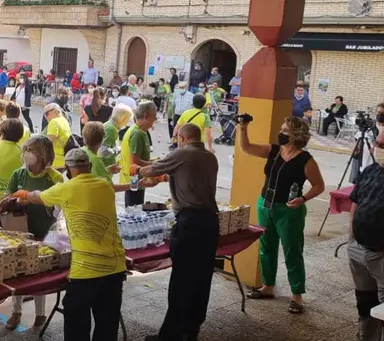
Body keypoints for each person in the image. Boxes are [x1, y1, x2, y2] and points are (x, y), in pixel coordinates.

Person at [14, 149, 126, 341]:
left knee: (76, 321)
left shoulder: (66, 189)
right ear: (90, 166)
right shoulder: (105, 185)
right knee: (107, 324)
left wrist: (24, 193)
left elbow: (37, 197)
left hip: (86, 270)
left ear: (67, 168)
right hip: (115, 267)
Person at [139, 124, 219, 341]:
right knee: (201, 278)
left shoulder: (182, 154)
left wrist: (136, 169)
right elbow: (186, 175)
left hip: (190, 223)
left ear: (182, 138)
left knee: (182, 279)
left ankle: (171, 335)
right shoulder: (210, 157)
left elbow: (149, 170)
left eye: (177, 139)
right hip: (210, 222)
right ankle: (192, 328)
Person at [240, 116, 325, 314]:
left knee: (292, 251)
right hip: (265, 205)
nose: (281, 133)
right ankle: (268, 286)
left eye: (286, 130)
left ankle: (297, 295)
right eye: (281, 129)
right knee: (266, 248)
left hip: (289, 211)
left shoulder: (306, 160)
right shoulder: (274, 150)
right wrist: (243, 128)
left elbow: (318, 186)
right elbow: (247, 148)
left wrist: (303, 198)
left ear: (297, 135)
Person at [3, 136, 63, 329]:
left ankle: (40, 314)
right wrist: (18, 202)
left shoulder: (54, 177)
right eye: (26, 149)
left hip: (45, 231)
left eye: (33, 150)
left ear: (44, 154)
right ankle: (16, 311)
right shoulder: (18, 174)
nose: (27, 153)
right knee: (18, 272)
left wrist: (44, 202)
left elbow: (61, 205)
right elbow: (6, 198)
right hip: (19, 232)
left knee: (39, 273)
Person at [347, 123, 384, 341]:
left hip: (381, 255)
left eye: (381, 145)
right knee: (365, 302)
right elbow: (356, 199)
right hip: (358, 248)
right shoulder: (372, 170)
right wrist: (351, 232)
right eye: (377, 143)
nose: (374, 149)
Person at [120, 102, 157, 206]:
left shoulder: (140, 131)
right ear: (146, 116)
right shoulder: (137, 134)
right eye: (154, 116)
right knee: (134, 208)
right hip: (134, 179)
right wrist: (153, 164)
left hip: (136, 178)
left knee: (135, 206)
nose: (155, 119)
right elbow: (135, 161)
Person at [43, 103, 72, 170]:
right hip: (64, 158)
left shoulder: (54, 122)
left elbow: (48, 144)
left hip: (56, 161)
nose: (45, 117)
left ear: (55, 111)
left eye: (46, 114)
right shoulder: (64, 120)